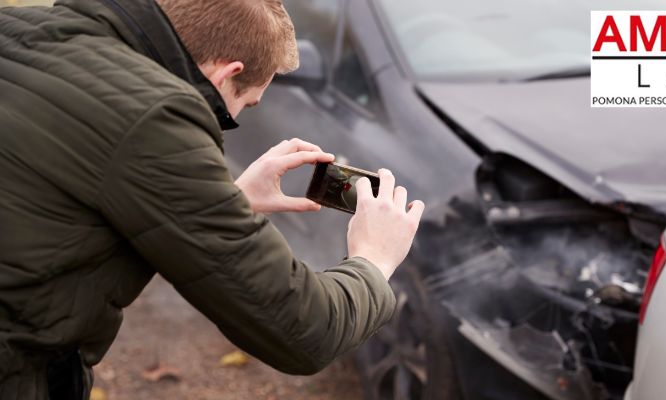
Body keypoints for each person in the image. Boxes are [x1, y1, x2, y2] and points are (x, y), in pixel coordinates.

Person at [0, 0, 425, 399]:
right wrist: (374, 259)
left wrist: (227, 198)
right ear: (225, 74)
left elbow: (71, 185)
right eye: (243, 105)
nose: (235, 119)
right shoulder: (155, 118)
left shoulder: (19, 28)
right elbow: (304, 331)